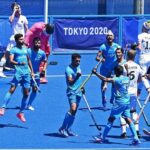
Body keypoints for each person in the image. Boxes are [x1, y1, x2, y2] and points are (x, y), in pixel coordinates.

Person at [92, 65, 141, 145]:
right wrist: (126, 68)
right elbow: (126, 74)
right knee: (128, 119)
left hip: (119, 103)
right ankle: (135, 138)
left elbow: (104, 79)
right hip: (126, 102)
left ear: (116, 72)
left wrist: (95, 73)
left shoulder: (116, 80)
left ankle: (102, 138)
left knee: (111, 119)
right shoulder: (127, 78)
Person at [0, 34, 33, 123]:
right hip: (18, 73)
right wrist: (19, 63)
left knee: (26, 94)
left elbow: (29, 60)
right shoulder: (13, 49)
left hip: (27, 73)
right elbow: (10, 60)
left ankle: (21, 113)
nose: (22, 40)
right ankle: (3, 107)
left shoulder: (26, 48)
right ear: (16, 40)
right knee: (12, 89)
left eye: (23, 39)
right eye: (21, 39)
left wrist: (32, 71)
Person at [119, 50, 150, 138]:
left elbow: (120, 78)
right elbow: (140, 79)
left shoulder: (123, 66)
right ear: (134, 57)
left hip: (124, 92)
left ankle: (124, 132)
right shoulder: (137, 66)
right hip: (133, 93)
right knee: (133, 111)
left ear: (127, 56)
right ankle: (136, 130)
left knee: (123, 111)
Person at [0, 2, 28, 77]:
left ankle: (21, 71)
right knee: (6, 55)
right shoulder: (11, 17)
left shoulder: (24, 18)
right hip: (13, 40)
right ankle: (0, 71)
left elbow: (26, 30)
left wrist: (27, 39)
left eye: (19, 8)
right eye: (17, 8)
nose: (19, 9)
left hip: (22, 40)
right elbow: (11, 20)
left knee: (23, 55)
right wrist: (14, 11)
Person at [59, 53, 83, 137]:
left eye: (79, 61)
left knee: (74, 111)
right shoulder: (68, 69)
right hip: (71, 91)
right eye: (76, 61)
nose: (78, 62)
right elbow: (70, 82)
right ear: (72, 60)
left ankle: (68, 129)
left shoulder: (78, 67)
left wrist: (82, 87)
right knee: (73, 108)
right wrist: (76, 76)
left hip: (79, 91)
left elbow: (80, 79)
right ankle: (62, 128)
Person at [95, 30, 120, 107]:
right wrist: (101, 59)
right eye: (108, 36)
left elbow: (121, 56)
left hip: (113, 69)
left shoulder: (117, 46)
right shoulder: (103, 47)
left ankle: (112, 97)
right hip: (104, 69)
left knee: (114, 82)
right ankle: (103, 97)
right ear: (106, 37)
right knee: (103, 82)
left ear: (113, 37)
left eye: (111, 36)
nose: (109, 37)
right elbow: (97, 57)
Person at [26, 37, 47, 111]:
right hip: (27, 74)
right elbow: (25, 62)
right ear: (33, 43)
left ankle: (29, 104)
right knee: (27, 91)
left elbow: (45, 61)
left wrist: (44, 69)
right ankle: (24, 102)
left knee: (34, 89)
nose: (37, 44)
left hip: (36, 74)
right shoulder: (28, 51)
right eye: (36, 43)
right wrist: (29, 71)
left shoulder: (42, 53)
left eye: (39, 43)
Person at [136, 20, 150, 97]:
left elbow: (139, 47)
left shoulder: (140, 36)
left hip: (143, 58)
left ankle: (148, 90)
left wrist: (136, 48)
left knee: (143, 75)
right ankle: (139, 91)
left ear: (144, 27)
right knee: (147, 75)